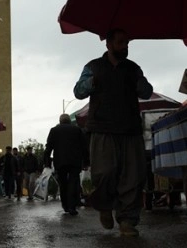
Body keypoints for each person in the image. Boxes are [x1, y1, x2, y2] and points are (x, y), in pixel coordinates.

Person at [73, 28, 153, 237]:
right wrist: (92, 82)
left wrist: (139, 83)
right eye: (120, 43)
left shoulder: (133, 68)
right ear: (108, 44)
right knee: (104, 173)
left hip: (130, 129)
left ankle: (127, 220)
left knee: (133, 177)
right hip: (102, 129)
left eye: (127, 43)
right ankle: (105, 206)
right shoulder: (93, 67)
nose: (125, 47)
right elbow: (78, 91)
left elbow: (147, 92)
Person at [44, 113, 88, 216]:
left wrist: (47, 162)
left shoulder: (54, 130)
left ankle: (65, 205)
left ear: (60, 121)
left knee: (63, 183)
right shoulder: (77, 130)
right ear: (69, 120)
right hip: (74, 161)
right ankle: (72, 206)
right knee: (73, 182)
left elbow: (48, 147)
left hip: (60, 161)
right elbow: (84, 146)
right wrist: (86, 161)